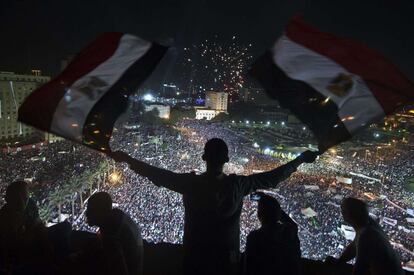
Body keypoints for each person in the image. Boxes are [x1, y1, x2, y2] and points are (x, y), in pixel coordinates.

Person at [109, 138, 318, 275]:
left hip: (194, 261)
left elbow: (156, 174)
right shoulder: (238, 185)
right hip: (226, 264)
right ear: (227, 159)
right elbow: (272, 178)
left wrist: (127, 159)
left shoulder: (191, 184)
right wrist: (298, 160)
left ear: (204, 158)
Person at [325, 197, 404, 275]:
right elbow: (354, 247)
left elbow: (359, 270)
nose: (341, 213)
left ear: (348, 215)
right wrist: (340, 261)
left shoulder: (365, 236)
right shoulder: (369, 225)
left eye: (343, 210)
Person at [83, 191, 144, 275]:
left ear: (100, 212)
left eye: (90, 209)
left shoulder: (111, 231)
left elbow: (118, 269)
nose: (86, 214)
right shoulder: (117, 217)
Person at [0, 181, 52, 274]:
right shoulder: (4, 217)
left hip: (35, 241)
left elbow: (39, 225)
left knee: (65, 227)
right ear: (8, 199)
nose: (22, 202)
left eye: (25, 197)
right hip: (21, 254)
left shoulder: (31, 204)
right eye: (17, 197)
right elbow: (11, 247)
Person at [245, 192, 301, 275]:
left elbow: (249, 269)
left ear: (259, 215)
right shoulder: (289, 232)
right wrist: (270, 204)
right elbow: (292, 224)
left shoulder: (254, 237)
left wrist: (264, 201)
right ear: (278, 214)